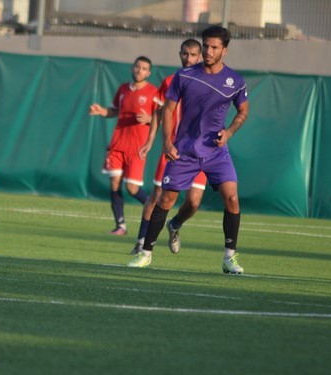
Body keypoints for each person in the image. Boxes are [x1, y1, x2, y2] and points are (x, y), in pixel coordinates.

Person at [128, 26, 249, 274]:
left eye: (214, 47)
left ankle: (230, 258)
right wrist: (166, 143)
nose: (208, 51)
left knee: (232, 199)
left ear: (224, 50)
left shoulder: (235, 81)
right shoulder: (184, 76)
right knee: (166, 200)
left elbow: (243, 112)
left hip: (216, 152)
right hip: (184, 151)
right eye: (206, 45)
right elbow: (168, 110)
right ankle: (146, 254)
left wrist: (228, 133)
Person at [131, 39, 206, 255]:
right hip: (171, 150)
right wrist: (150, 141)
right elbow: (157, 112)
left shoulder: (208, 81)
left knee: (192, 202)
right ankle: (141, 242)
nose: (189, 59)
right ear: (180, 54)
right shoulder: (171, 81)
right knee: (156, 197)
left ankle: (175, 225)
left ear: (200, 57)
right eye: (185, 54)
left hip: (198, 152)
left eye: (193, 55)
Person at [89, 56, 157, 235]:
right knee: (114, 183)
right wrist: (101, 111)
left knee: (132, 188)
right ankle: (121, 225)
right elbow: (114, 111)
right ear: (132, 68)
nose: (139, 70)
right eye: (137, 66)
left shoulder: (153, 93)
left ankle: (156, 212)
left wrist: (150, 119)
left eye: (144, 68)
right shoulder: (123, 89)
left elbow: (163, 119)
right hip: (118, 144)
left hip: (137, 147)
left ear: (148, 73)